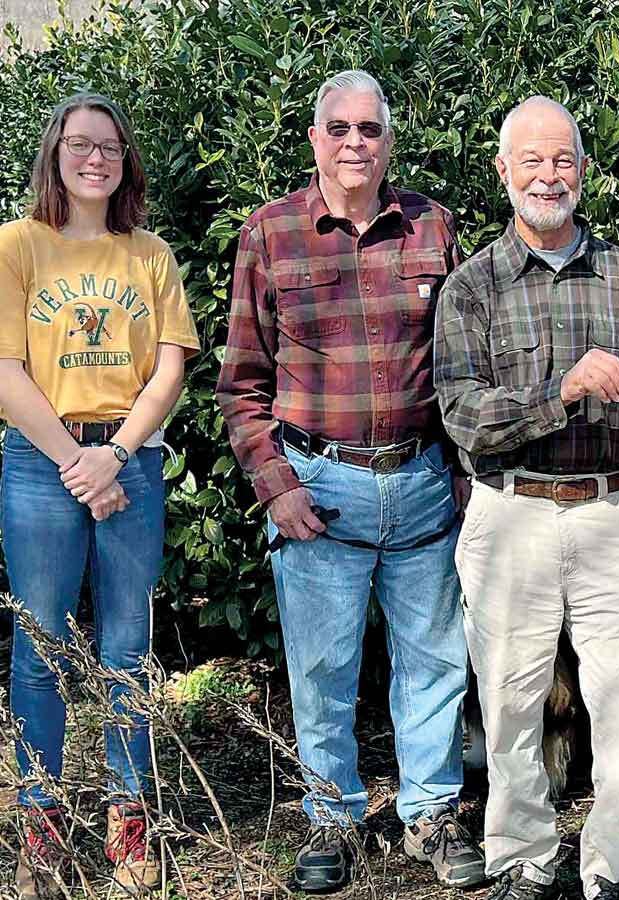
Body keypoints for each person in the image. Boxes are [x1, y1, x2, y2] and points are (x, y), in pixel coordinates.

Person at [214, 70, 484, 893]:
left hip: (424, 484)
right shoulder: (270, 235)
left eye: (370, 128)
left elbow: (469, 364)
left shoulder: (434, 227)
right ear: (314, 140)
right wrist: (275, 483)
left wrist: (471, 477)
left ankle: (431, 813)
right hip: (318, 490)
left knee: (435, 663)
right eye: (339, 129)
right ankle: (332, 814)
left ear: (389, 139)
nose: (355, 143)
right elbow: (239, 382)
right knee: (322, 669)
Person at [434, 95, 619, 900]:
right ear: (503, 171)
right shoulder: (472, 287)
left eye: (563, 159)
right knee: (507, 701)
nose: (549, 175)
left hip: (610, 514)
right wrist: (562, 391)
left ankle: (617, 870)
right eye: (532, 160)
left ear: (584, 169)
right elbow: (463, 414)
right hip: (511, 513)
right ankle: (523, 860)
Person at [0, 92, 200, 897]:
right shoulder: (16, 246)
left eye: (111, 148)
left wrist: (112, 456)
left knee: (127, 649)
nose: (96, 159)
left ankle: (129, 817)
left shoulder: (148, 254)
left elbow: (170, 368)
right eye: (81, 145)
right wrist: (75, 464)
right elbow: (6, 373)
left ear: (127, 163)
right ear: (54, 153)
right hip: (40, 464)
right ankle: (40, 823)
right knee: (42, 646)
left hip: (132, 463)